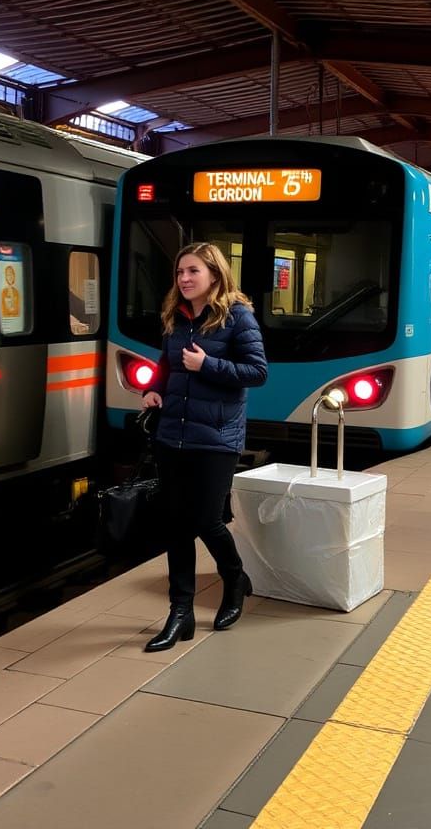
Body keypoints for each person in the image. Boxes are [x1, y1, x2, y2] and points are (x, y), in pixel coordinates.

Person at [141, 242, 267, 651]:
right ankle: (181, 613)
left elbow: (257, 372)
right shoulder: (177, 317)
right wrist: (153, 389)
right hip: (172, 435)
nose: (184, 279)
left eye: (193, 271)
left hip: (216, 438)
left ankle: (233, 578)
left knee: (206, 520)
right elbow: (167, 364)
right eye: (180, 272)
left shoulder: (237, 317)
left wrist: (207, 365)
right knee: (175, 524)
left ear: (214, 274)